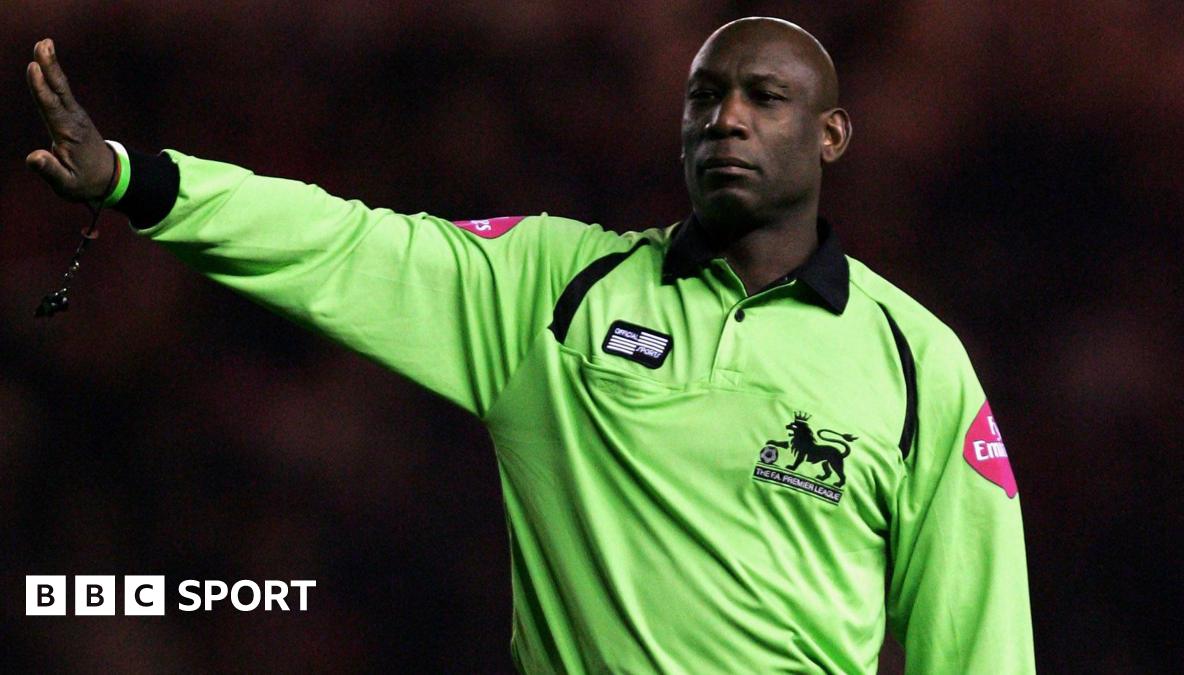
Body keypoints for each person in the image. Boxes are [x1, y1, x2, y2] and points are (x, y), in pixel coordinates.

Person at [25, 17, 1035, 673]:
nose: (727, 120)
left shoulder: (918, 361)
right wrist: (135, 178)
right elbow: (343, 244)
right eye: (703, 98)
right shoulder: (555, 286)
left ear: (831, 136)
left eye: (764, 98)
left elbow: (979, 638)